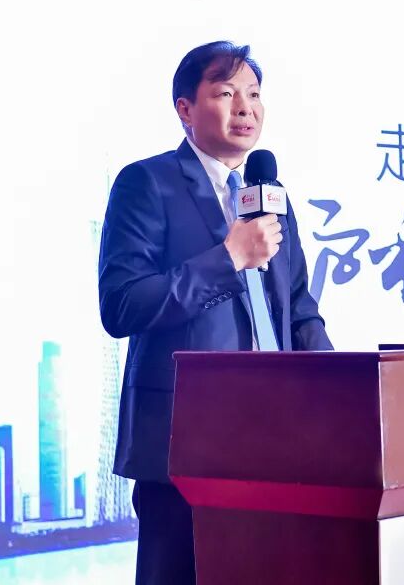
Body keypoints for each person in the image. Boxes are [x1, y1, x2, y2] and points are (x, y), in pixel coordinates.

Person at [98, 41, 333, 585]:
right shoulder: (146, 183)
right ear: (185, 107)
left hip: (278, 434)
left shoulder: (271, 196)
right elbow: (122, 304)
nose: (245, 107)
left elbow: (299, 309)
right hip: (184, 439)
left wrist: (334, 391)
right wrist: (228, 258)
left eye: (254, 93)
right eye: (227, 93)